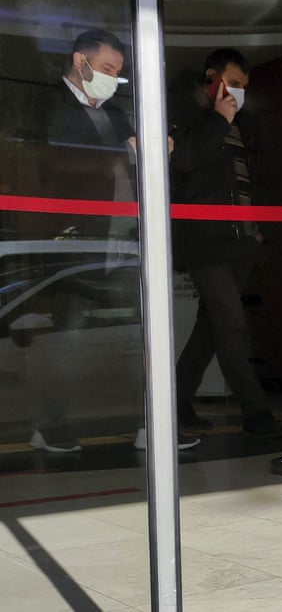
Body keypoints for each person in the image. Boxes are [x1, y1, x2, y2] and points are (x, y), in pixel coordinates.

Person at [31, 30, 198, 452]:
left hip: (122, 240)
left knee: (140, 333)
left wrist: (158, 149)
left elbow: (133, 161)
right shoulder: (50, 106)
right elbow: (60, 163)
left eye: (118, 72)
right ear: (80, 62)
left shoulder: (116, 113)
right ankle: (50, 423)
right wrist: (127, 153)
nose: (112, 78)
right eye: (107, 69)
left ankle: (150, 424)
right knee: (65, 338)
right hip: (74, 242)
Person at [167, 48, 282, 438]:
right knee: (231, 325)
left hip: (240, 242)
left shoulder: (242, 122)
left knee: (212, 327)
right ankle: (255, 412)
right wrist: (219, 120)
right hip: (204, 241)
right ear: (211, 78)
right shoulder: (183, 114)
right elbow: (182, 162)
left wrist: (258, 229)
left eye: (243, 87)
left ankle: (176, 402)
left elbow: (252, 177)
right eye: (232, 83)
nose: (238, 92)